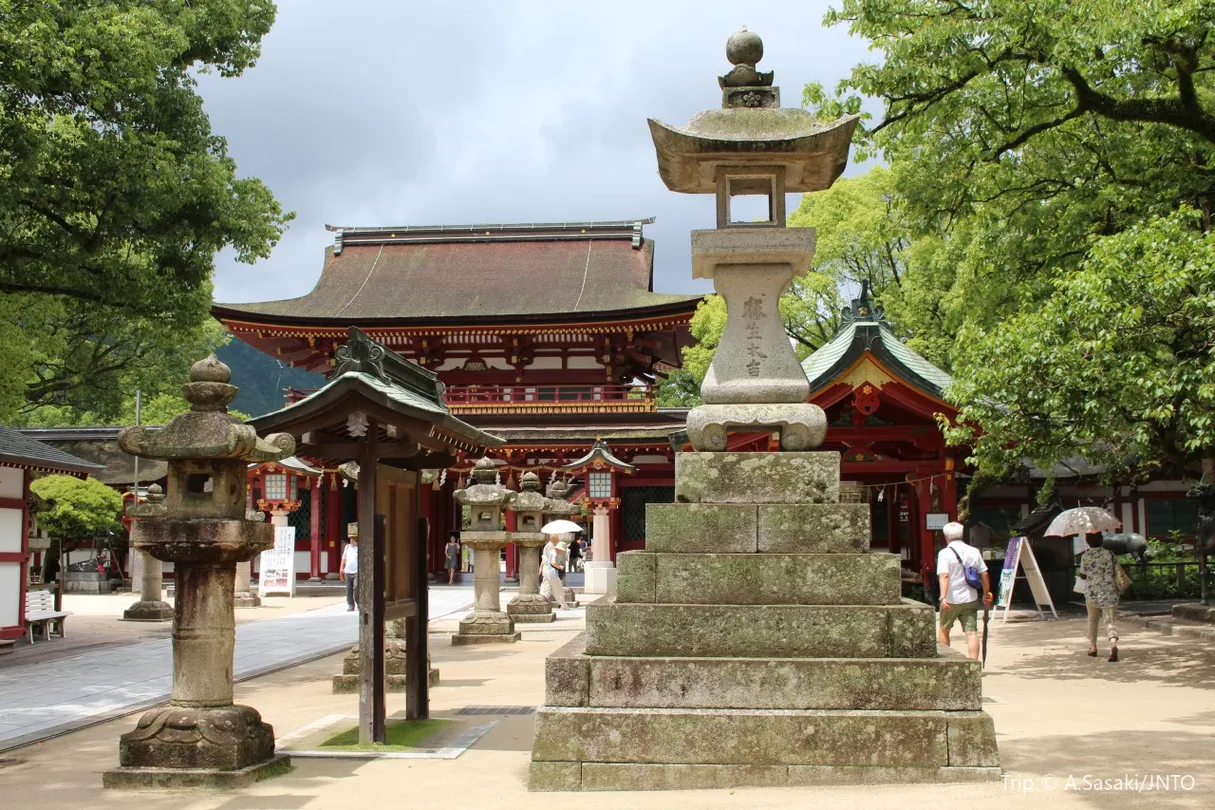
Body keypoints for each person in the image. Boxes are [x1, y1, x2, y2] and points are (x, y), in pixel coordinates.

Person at [936, 521, 993, 660]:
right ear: (962, 535)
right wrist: (986, 593)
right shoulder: (973, 551)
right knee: (971, 632)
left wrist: (942, 597)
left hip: (951, 599)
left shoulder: (945, 553)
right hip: (970, 598)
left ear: (946, 536)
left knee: (944, 629)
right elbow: (984, 573)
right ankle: (973, 664)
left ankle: (946, 662)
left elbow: (944, 575)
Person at [1078, 532, 1120, 661]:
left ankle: (1093, 647)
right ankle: (1113, 642)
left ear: (1087, 540)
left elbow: (1083, 575)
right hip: (1109, 591)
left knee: (1092, 619)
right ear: (1101, 540)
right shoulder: (1109, 554)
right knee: (1109, 620)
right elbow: (1116, 569)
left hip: (1092, 592)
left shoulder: (1085, 555)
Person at [539, 536, 567, 609]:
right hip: (552, 573)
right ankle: (563, 605)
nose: (563, 552)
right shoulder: (554, 551)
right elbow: (553, 562)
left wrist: (541, 568)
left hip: (546, 572)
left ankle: (540, 602)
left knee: (546, 588)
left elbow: (544, 560)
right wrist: (560, 567)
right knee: (558, 589)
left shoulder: (549, 548)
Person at [339, 535, 358, 611]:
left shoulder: (359, 548)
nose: (352, 541)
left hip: (356, 571)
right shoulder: (347, 547)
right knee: (348, 590)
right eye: (351, 539)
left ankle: (359, 603)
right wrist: (341, 568)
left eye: (353, 539)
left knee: (356, 588)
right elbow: (344, 558)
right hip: (348, 571)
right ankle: (350, 605)